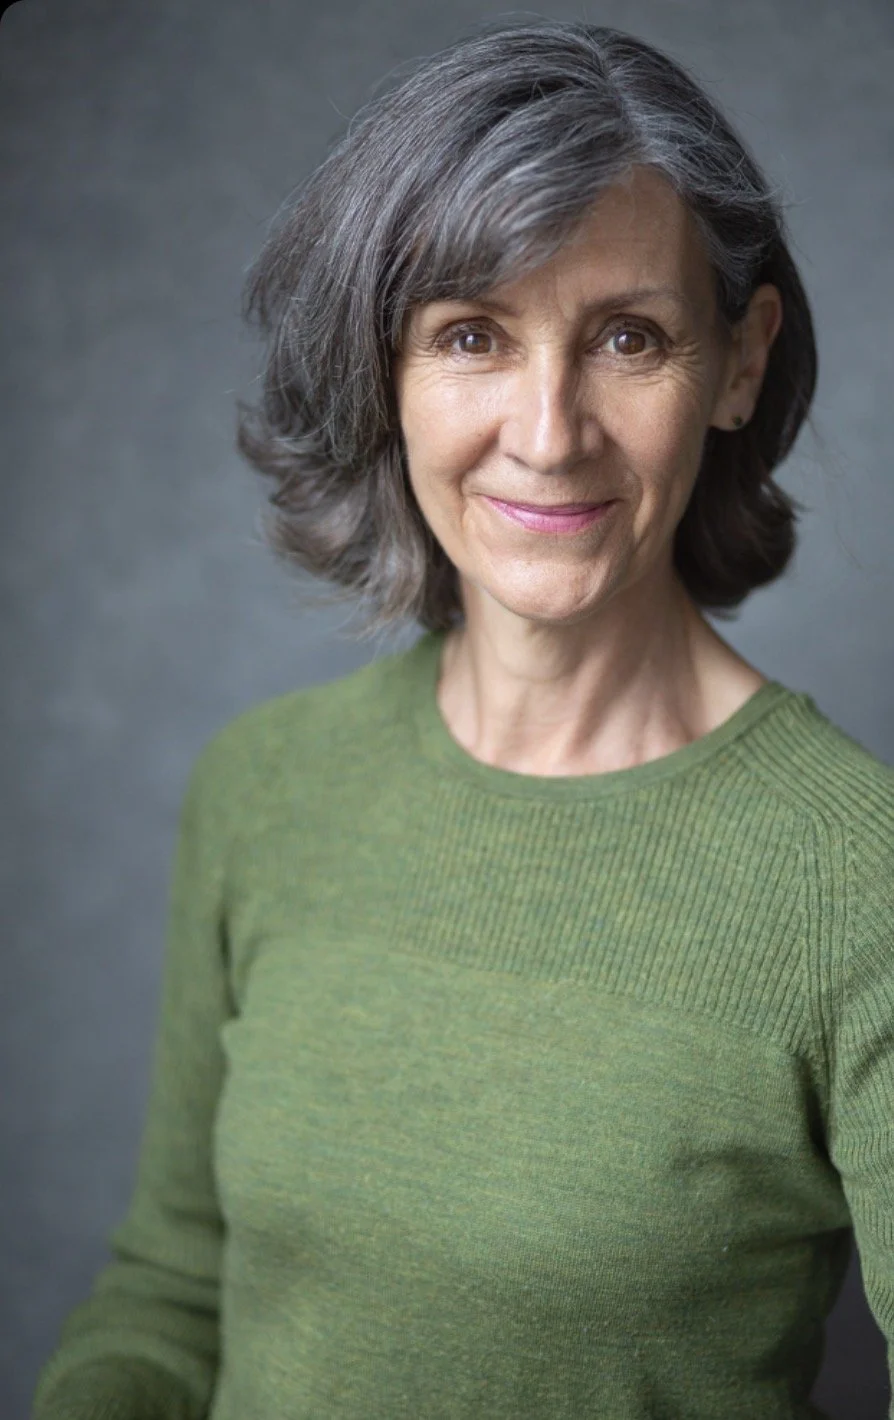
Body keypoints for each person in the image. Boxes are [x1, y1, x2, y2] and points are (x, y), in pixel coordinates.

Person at [32, 18, 894, 1420]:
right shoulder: (265, 786)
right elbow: (176, 1291)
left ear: (738, 364)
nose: (547, 433)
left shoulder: (860, 877)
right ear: (383, 368)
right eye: (471, 335)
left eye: (628, 336)